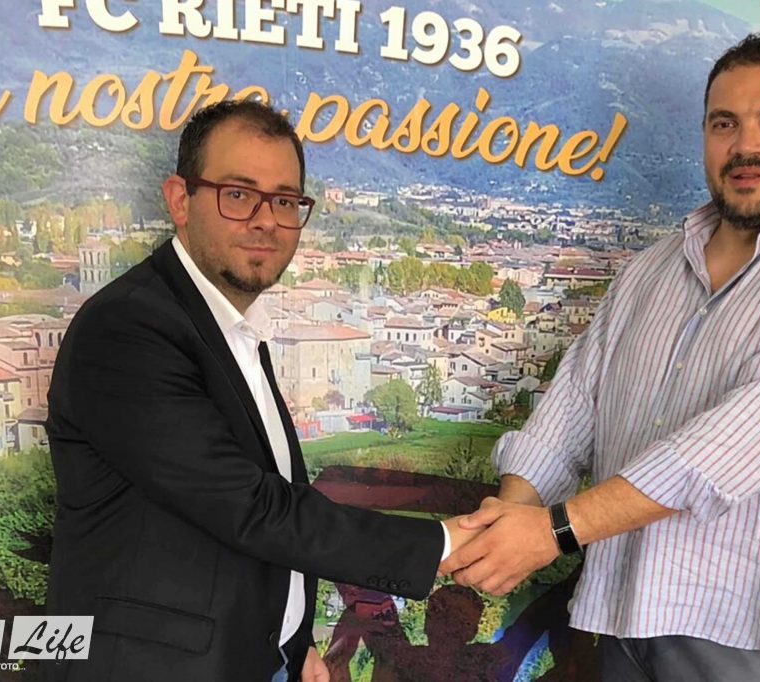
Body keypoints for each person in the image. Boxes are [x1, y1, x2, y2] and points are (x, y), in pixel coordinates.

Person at [440, 32, 760, 682]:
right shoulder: (652, 269)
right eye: (725, 123)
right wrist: (511, 515)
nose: (746, 145)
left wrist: (551, 531)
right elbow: (573, 406)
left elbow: (744, 437)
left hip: (750, 631)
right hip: (626, 614)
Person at [44, 99, 471, 682]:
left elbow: (255, 510)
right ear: (179, 200)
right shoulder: (127, 330)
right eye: (239, 194)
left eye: (285, 201)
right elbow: (252, 509)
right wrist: (442, 544)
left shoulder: (228, 325)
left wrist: (291, 640)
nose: (267, 220)